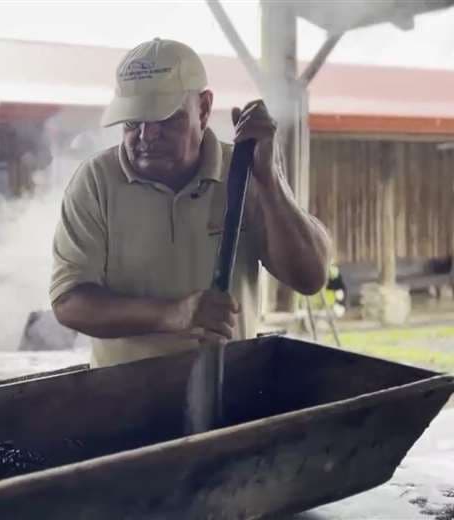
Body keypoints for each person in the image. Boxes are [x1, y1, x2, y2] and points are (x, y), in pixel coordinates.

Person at [50, 38, 332, 369]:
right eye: (133, 121)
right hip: (122, 393)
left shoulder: (245, 172)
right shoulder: (96, 181)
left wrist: (271, 180)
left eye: (166, 118)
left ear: (204, 108)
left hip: (228, 385)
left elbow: (310, 277)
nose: (147, 135)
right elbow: (68, 302)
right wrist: (172, 314)